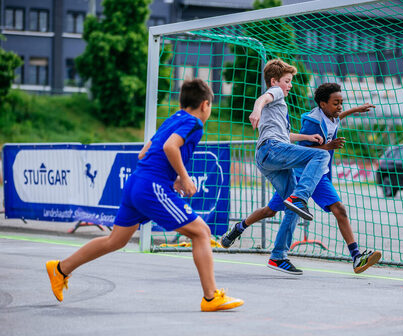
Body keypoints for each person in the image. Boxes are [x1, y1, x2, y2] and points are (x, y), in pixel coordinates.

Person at [46, 79, 243, 312]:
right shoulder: (194, 123)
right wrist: (184, 176)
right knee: (202, 232)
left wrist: (172, 177)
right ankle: (211, 297)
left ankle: (60, 268)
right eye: (210, 106)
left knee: (115, 240)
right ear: (204, 104)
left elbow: (144, 153)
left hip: (136, 183)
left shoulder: (173, 119)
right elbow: (171, 147)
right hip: (151, 186)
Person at [222, 82, 381, 274]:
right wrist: (327, 147)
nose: (340, 107)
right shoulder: (312, 122)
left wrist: (355, 110)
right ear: (323, 104)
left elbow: (337, 118)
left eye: (341, 103)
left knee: (339, 210)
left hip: (319, 177)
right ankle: (241, 228)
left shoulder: (332, 116)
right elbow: (303, 151)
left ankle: (356, 257)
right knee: (270, 211)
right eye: (336, 103)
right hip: (303, 175)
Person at [248, 59, 332, 275]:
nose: (290, 85)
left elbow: (286, 135)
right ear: (275, 81)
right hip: (272, 149)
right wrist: (256, 110)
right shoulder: (274, 92)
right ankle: (300, 197)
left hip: (268, 155)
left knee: (291, 209)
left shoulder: (279, 108)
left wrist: (306, 136)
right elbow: (263, 97)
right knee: (321, 157)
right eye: (287, 81)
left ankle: (278, 256)